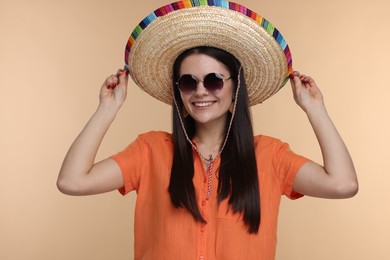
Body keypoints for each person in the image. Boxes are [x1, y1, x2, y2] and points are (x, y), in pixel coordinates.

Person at [57, 1, 358, 259]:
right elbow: (72, 181)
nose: (201, 92)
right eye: (188, 82)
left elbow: (343, 185)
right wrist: (107, 109)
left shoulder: (270, 156)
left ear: (234, 87)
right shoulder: (150, 151)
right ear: (180, 93)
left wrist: (315, 109)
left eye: (213, 80)